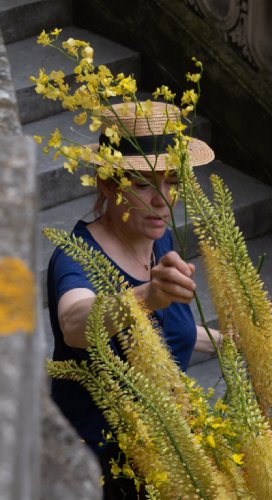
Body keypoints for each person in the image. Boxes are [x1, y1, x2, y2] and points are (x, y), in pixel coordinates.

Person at [47, 101, 220, 498]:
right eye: (143, 184)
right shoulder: (74, 255)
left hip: (163, 450)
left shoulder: (161, 237)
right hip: (97, 467)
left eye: (171, 181)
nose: (163, 200)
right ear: (108, 184)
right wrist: (148, 295)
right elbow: (75, 323)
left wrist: (235, 342)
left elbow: (168, 328)